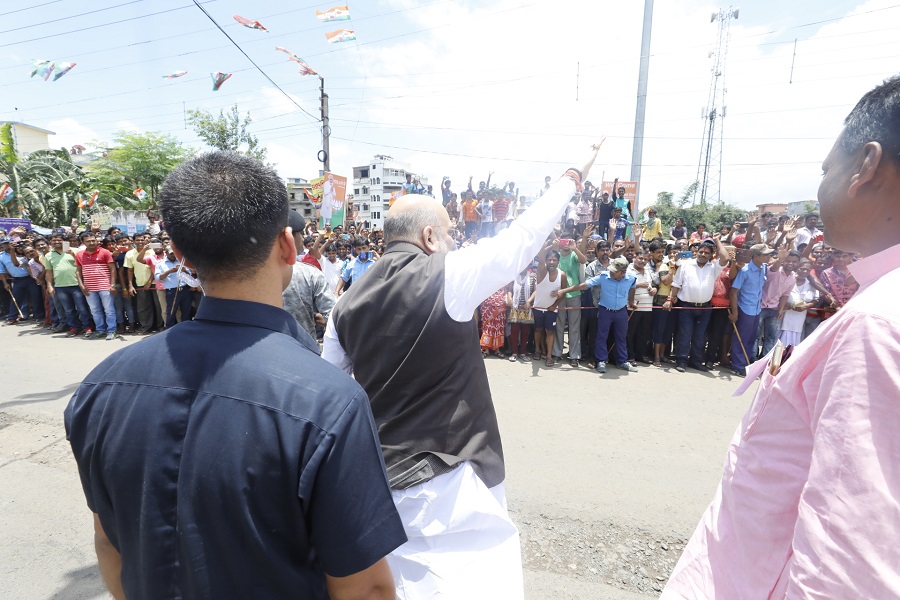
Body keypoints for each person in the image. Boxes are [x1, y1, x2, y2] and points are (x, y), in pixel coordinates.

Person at [65, 151, 405, 600]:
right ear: (288, 245)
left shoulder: (100, 387)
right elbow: (366, 589)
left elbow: (110, 545)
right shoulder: (329, 402)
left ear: (182, 257)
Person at [323, 143, 603, 599]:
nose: (454, 242)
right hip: (450, 482)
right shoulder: (449, 272)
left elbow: (330, 395)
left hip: (380, 482)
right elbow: (523, 236)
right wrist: (573, 177)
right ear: (430, 237)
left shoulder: (345, 305)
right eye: (450, 234)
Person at [662, 74, 900, 600]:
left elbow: (848, 572)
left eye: (826, 169)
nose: (820, 188)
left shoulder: (877, 325)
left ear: (866, 166)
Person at [554, 256, 638, 374]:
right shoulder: (604, 276)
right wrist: (564, 291)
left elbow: (633, 288)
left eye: (614, 271)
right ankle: (601, 361)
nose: (611, 272)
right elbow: (583, 285)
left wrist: (631, 302)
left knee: (621, 337)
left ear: (623, 272)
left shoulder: (632, 278)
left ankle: (622, 361)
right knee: (601, 337)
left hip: (621, 312)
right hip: (605, 311)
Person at [664, 236, 730, 373]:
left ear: (711, 255)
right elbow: (676, 284)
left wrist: (717, 241)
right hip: (686, 306)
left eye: (707, 253)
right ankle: (681, 361)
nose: (703, 254)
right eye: (701, 252)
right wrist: (670, 299)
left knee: (699, 336)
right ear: (697, 252)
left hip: (705, 307)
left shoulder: (713, 267)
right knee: (685, 334)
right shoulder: (685, 264)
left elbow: (725, 257)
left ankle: (695, 361)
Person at [728, 243, 775, 377]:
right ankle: (737, 365)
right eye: (765, 254)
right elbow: (734, 292)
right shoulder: (745, 271)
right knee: (741, 338)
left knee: (751, 338)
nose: (768, 256)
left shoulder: (763, 268)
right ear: (756, 256)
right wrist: (735, 312)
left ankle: (745, 363)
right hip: (745, 308)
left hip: (756, 309)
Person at [553, 231, 588, 367]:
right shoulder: (557, 255)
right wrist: (554, 247)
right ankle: (557, 353)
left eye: (568, 240)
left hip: (574, 294)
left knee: (574, 326)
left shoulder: (574, 253)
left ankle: (574, 355)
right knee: (559, 325)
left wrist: (575, 248)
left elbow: (584, 261)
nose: (565, 243)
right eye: (563, 240)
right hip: (558, 295)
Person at [76, 232, 118, 340]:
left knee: (109, 309)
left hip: (105, 285)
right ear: (83, 242)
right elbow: (78, 271)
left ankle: (112, 331)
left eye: (93, 240)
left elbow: (113, 269)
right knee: (95, 310)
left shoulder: (105, 252)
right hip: (89, 287)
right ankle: (100, 330)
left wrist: (112, 284)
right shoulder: (80, 255)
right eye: (88, 241)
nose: (91, 243)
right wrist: (81, 285)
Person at [531, 247, 567, 366]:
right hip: (538, 307)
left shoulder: (562, 275)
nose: (552, 262)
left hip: (552, 309)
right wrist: (546, 246)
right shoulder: (541, 271)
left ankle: (549, 356)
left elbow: (563, 292)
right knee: (538, 329)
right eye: (550, 260)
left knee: (550, 332)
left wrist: (555, 305)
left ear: (558, 261)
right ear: (546, 261)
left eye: (554, 260)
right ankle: (537, 350)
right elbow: (540, 260)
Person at [154, 245, 193, 329]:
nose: (173, 255)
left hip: (184, 289)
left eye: (175, 253)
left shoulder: (182, 262)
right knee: (171, 311)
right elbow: (158, 277)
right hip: (172, 291)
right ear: (166, 253)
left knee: (186, 310)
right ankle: (170, 329)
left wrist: (184, 270)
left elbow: (190, 275)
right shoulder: (161, 264)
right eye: (171, 254)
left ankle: (186, 329)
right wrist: (170, 271)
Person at [507, 267, 535, 363]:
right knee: (514, 331)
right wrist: (510, 298)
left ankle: (523, 353)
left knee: (525, 332)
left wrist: (529, 301)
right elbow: (509, 289)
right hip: (515, 308)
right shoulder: (514, 276)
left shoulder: (532, 276)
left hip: (526, 309)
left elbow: (535, 291)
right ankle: (514, 353)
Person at [479, 286, 508, 358]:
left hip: (500, 306)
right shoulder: (487, 281)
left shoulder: (503, 281)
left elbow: (506, 292)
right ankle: (486, 350)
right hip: (487, 307)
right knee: (488, 327)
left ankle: (497, 350)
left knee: (498, 327)